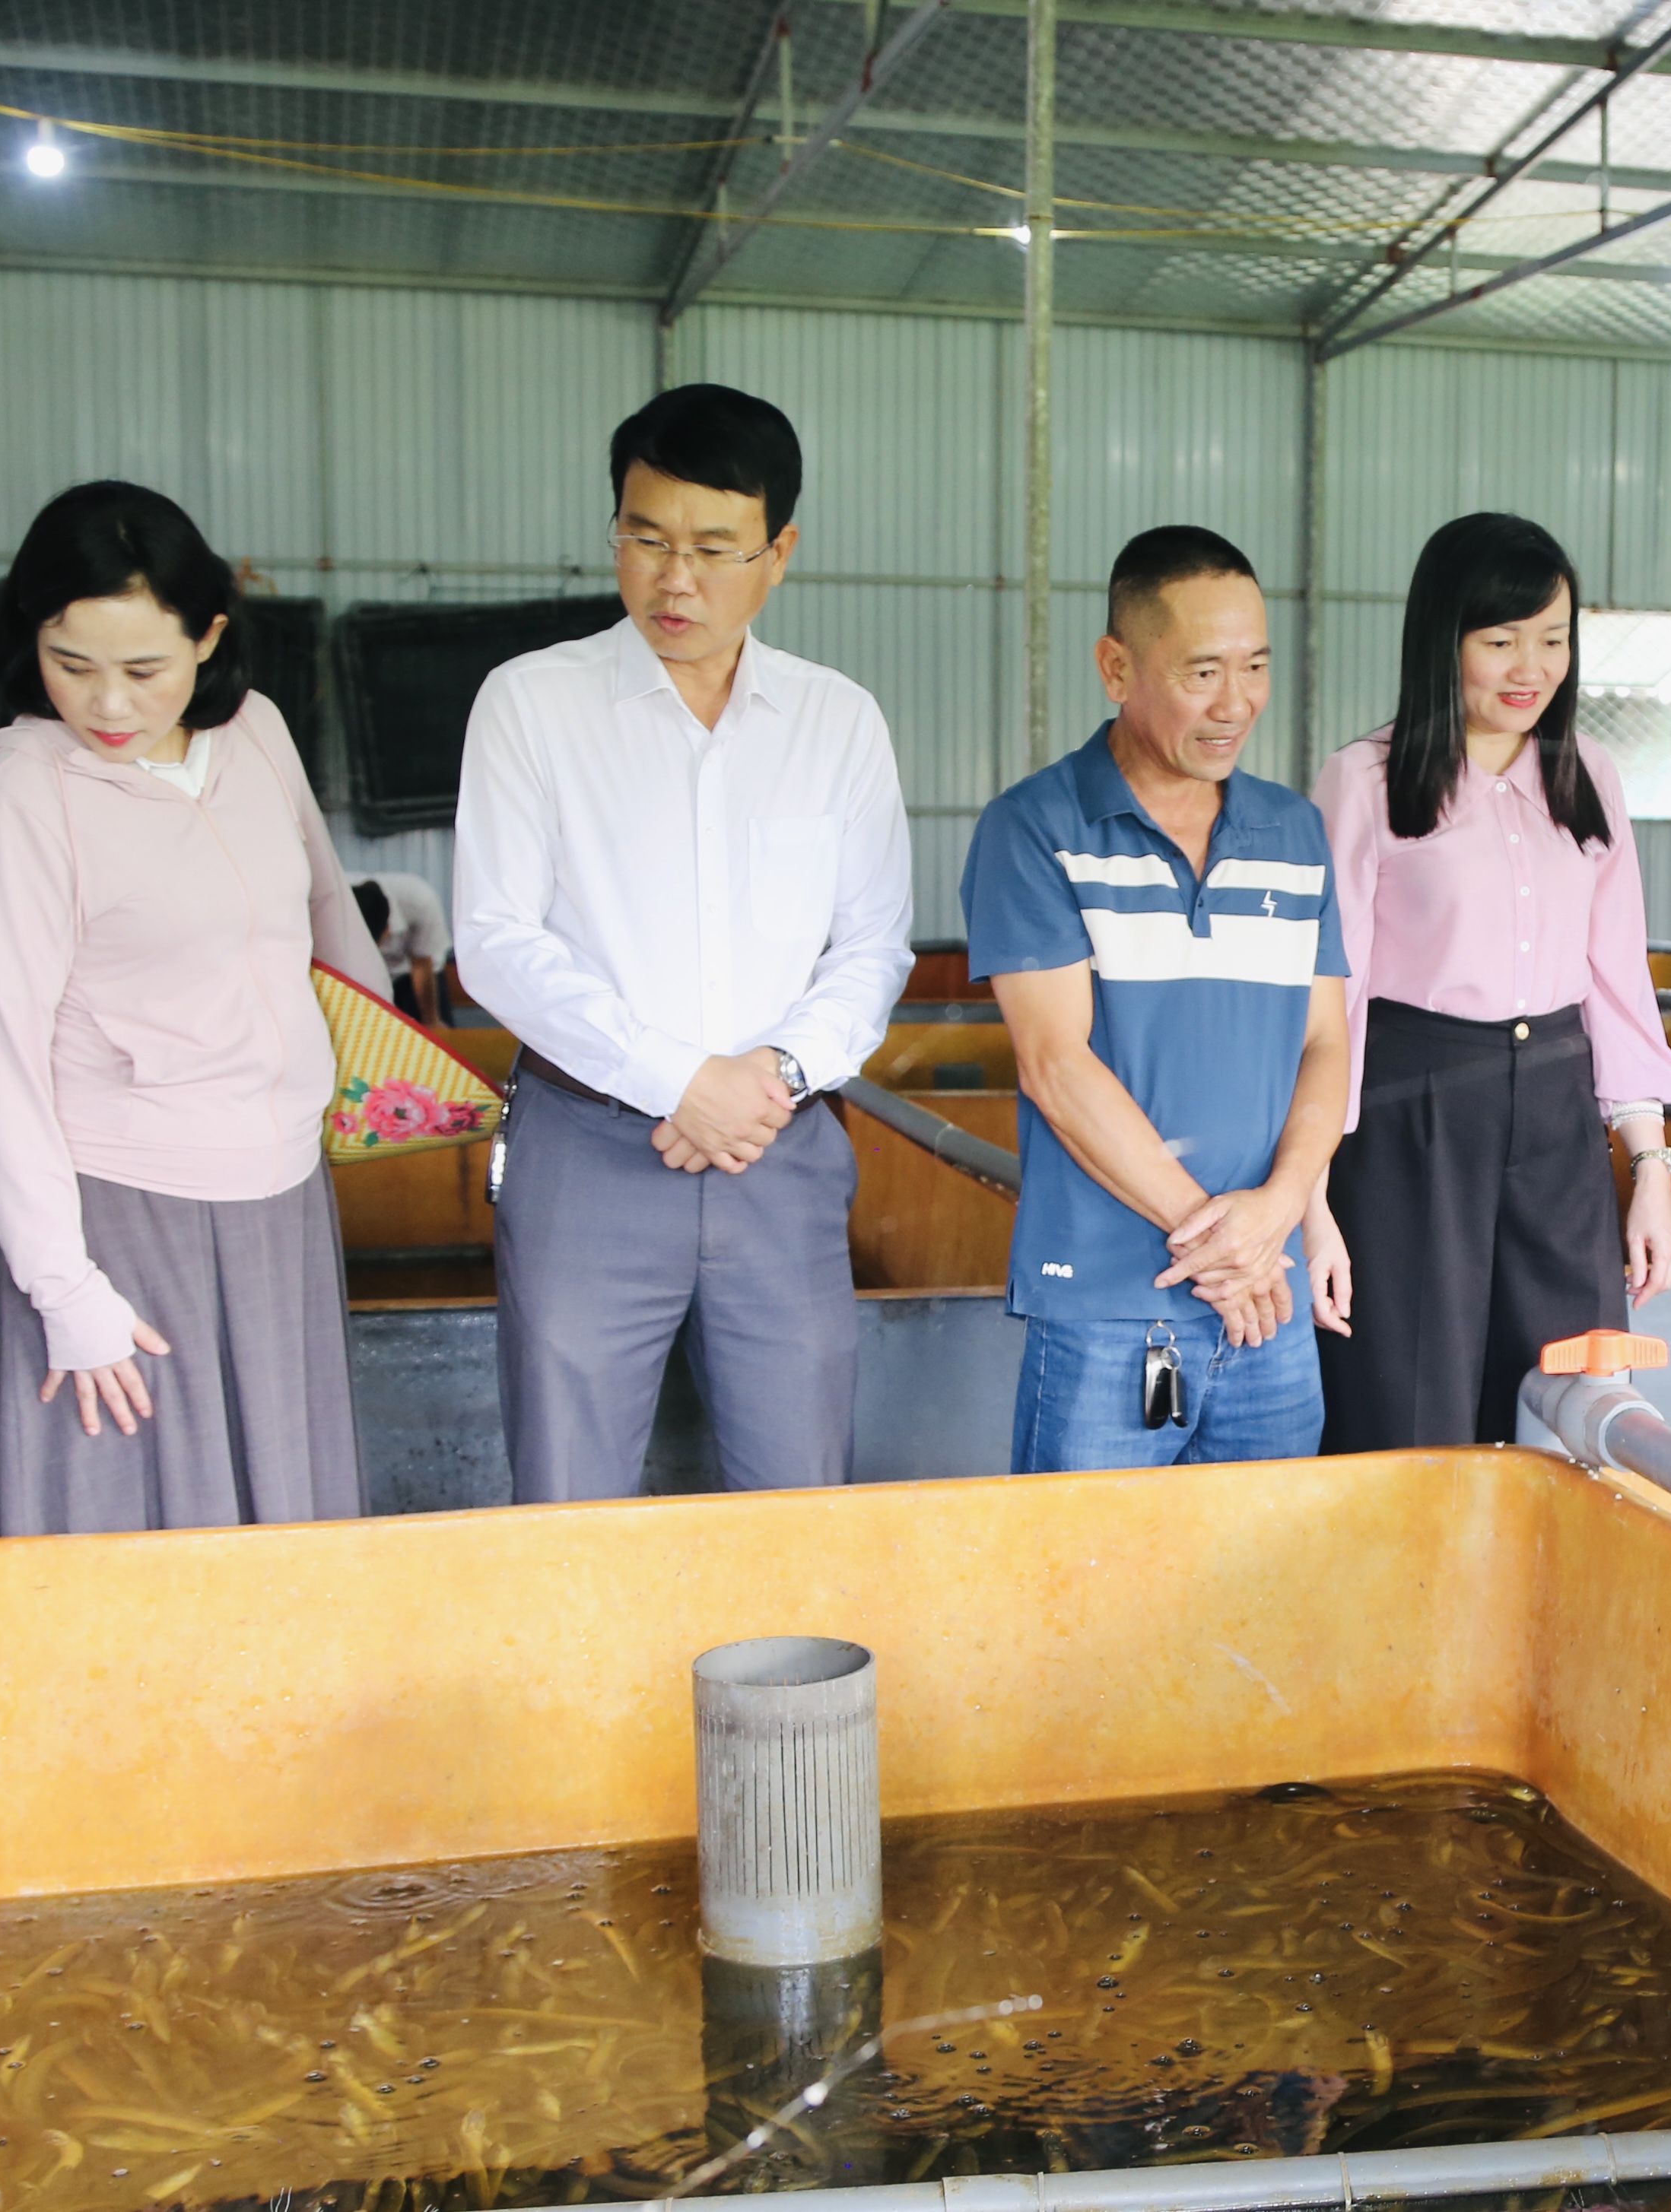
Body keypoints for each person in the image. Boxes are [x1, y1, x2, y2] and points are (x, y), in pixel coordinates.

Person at [453, 383, 913, 1500]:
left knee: (798, 1490)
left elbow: (873, 946)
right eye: (646, 538)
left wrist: (769, 1078)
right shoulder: (531, 703)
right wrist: (678, 1080)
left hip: (776, 1152)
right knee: (568, 1495)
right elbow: (496, 940)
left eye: (713, 548)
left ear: (778, 552)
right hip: (588, 1152)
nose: (675, 579)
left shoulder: (837, 721)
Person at [0, 480, 390, 1534]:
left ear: (209, 638)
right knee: (142, 1528)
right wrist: (64, 1288)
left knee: (283, 1511)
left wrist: (381, 1076)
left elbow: (327, 913)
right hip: (127, 1206)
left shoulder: (256, 734)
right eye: (71, 664)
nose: (107, 705)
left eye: (143, 670)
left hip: (282, 1192)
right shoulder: (21, 799)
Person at [964, 525, 1350, 1472]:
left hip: (1268, 1301)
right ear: (1116, 667)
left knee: (1270, 1560)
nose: (1235, 702)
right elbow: (1056, 1064)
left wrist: (1279, 1210)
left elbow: (1326, 1044)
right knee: (1091, 1566)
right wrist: (1229, 1248)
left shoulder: (1294, 831)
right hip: (1109, 1304)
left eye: (1255, 666)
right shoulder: (1036, 828)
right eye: (1202, 672)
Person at [1308, 513, 1671, 1450]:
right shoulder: (1363, 780)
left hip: (1558, 1119)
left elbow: (1616, 983)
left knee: (1576, 1397)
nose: (1532, 667)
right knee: (1408, 1405)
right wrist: (1310, 1203)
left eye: (1554, 639)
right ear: (1442, 640)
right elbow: (1329, 1003)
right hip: (1411, 1117)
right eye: (1501, 640)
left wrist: (1650, 1170)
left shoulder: (1589, 774)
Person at [351, 869, 451, 1023]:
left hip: (411, 973)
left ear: (388, 930)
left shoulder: (420, 901)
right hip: (360, 972)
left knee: (432, 1030)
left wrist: (431, 1021)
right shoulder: (328, 897)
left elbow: (421, 964)